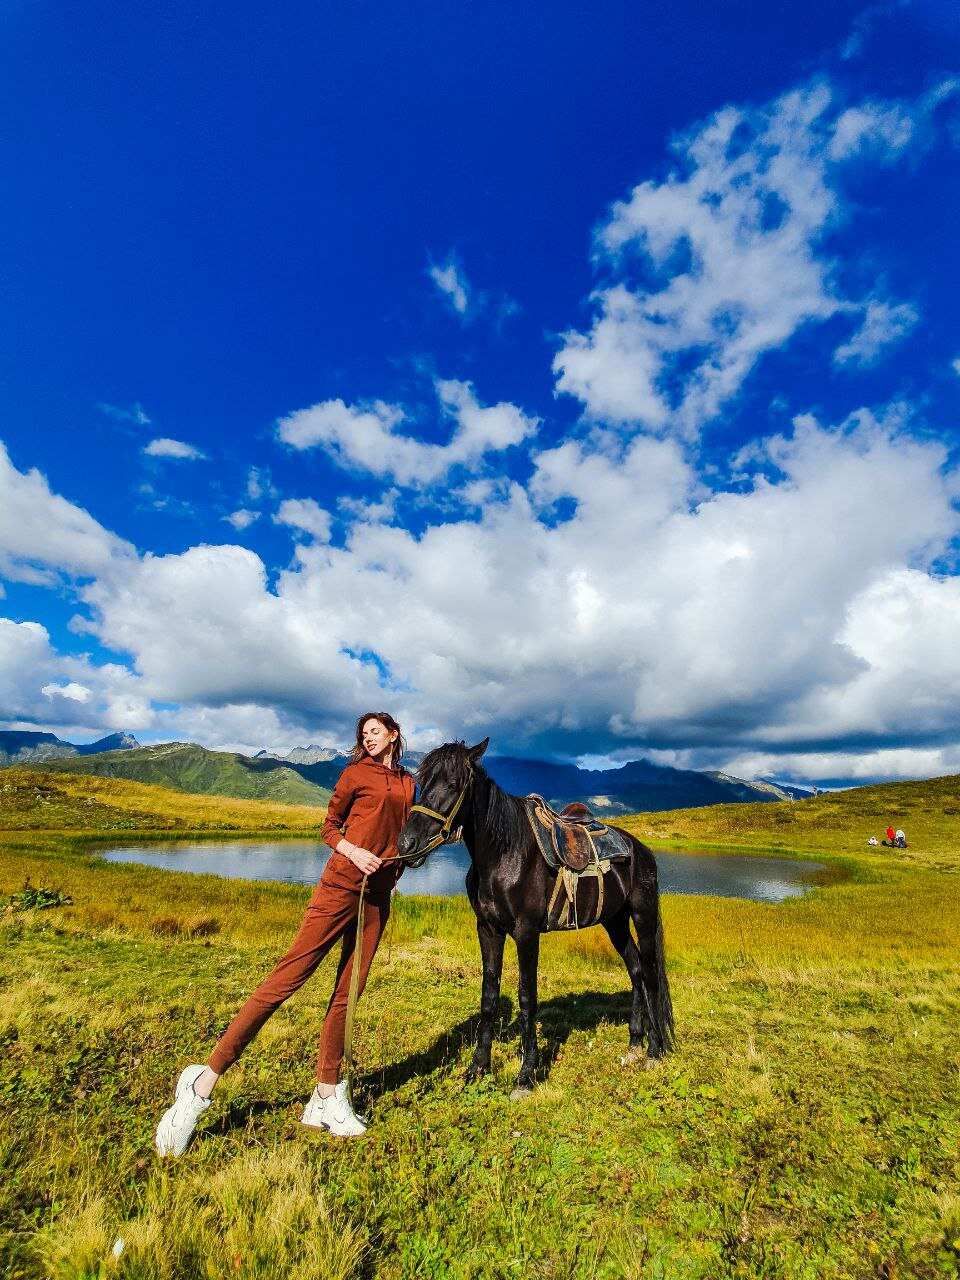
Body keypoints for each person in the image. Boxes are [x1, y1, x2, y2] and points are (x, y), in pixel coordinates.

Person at [154, 711, 415, 1156]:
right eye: (364, 733)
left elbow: (404, 835)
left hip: (377, 898)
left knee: (348, 994)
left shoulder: (409, 782)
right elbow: (329, 828)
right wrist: (355, 851)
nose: (368, 737)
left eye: (376, 731)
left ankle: (326, 1094)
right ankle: (202, 1083)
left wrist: (400, 867)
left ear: (393, 734)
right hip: (339, 888)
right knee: (284, 982)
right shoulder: (355, 774)